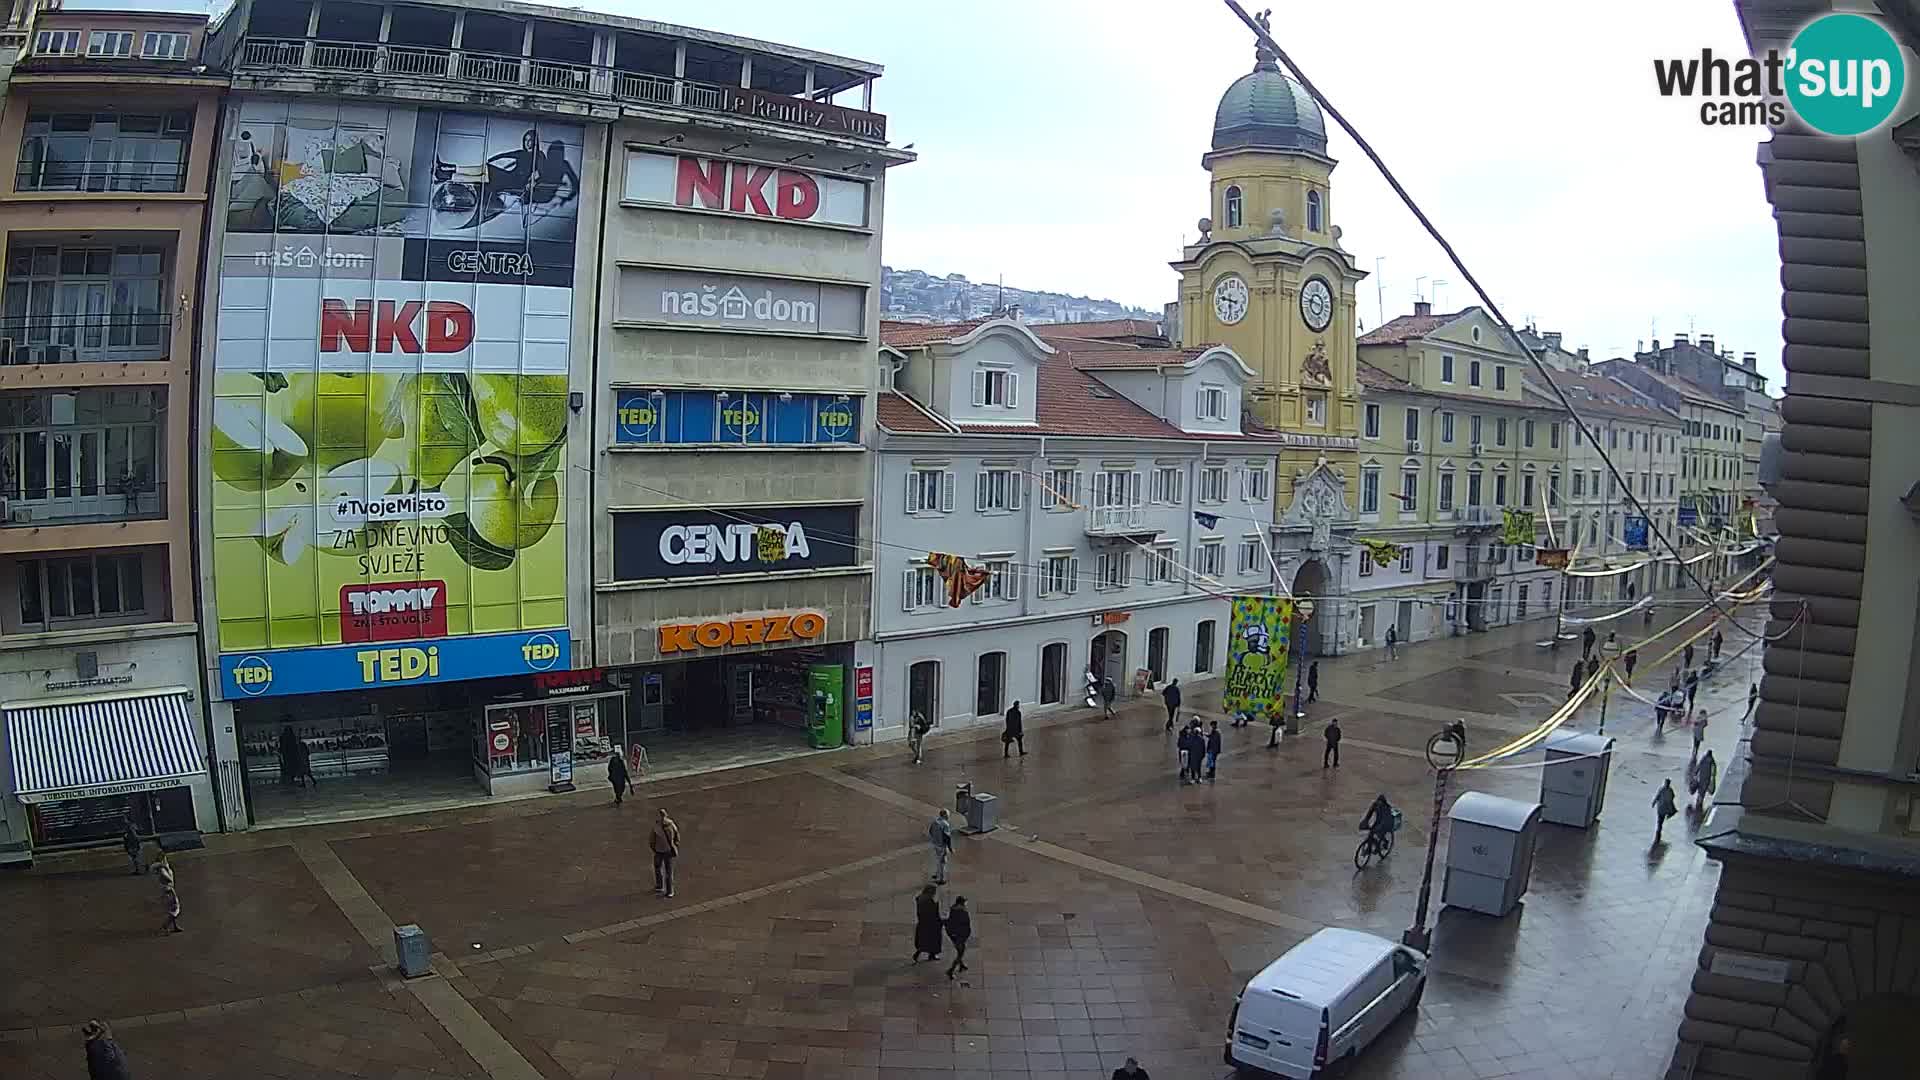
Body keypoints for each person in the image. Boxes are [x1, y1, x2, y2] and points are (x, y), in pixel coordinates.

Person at [650, 808, 680, 898]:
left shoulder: (656, 826)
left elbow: (651, 840)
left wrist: (654, 848)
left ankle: (659, 885)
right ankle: (670, 891)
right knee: (669, 871)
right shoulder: (671, 824)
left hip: (659, 851)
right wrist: (675, 844)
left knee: (657, 868)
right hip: (668, 850)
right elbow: (677, 835)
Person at [912, 884, 943, 963]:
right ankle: (932, 955)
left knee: (923, 940)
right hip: (931, 923)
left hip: (923, 923)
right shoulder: (928, 900)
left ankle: (919, 953)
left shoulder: (920, 898)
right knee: (933, 940)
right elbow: (933, 912)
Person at [944, 895, 971, 979]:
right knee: (960, 953)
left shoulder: (953, 909)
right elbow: (965, 924)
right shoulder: (962, 912)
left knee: (959, 950)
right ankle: (951, 970)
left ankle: (961, 965)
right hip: (959, 935)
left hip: (953, 934)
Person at [928, 809, 953, 884]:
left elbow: (930, 831)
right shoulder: (945, 824)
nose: (949, 816)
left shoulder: (935, 821)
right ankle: (941, 879)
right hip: (942, 846)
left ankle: (936, 874)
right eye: (948, 815)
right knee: (943, 862)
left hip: (935, 844)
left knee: (938, 859)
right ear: (944, 815)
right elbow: (947, 837)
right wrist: (950, 848)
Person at [1653, 778, 1678, 843]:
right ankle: (1658, 831)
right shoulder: (1668, 790)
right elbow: (1673, 796)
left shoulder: (1664, 789)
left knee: (1660, 820)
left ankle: (1658, 832)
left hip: (1662, 808)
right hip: (1663, 808)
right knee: (1660, 820)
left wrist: (1654, 802)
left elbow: (1657, 796)